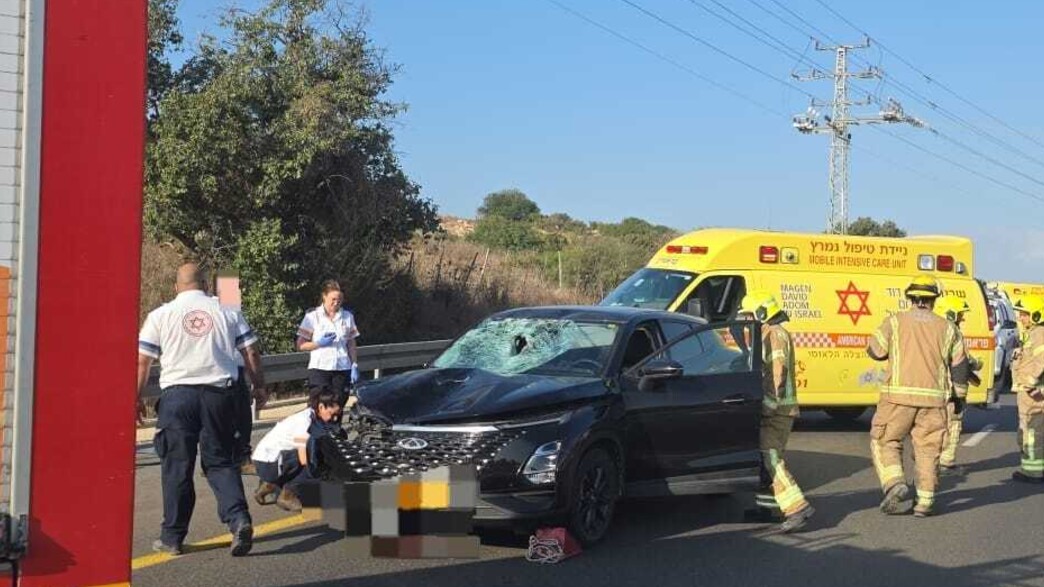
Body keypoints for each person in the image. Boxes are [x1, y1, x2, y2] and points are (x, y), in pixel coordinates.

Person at [137, 263, 268, 557]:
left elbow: (142, 361)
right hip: (219, 396)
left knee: (177, 468)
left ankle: (172, 537)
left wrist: (136, 397)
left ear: (176, 286)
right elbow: (250, 351)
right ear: (206, 285)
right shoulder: (227, 309)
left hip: (177, 399)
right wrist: (259, 386)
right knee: (220, 462)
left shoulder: (160, 315)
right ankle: (238, 519)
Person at [866, 276, 970, 517]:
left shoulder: (894, 322)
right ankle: (924, 502)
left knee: (884, 441)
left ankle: (895, 483)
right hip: (934, 401)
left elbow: (875, 351)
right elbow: (960, 367)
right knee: (928, 449)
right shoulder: (949, 328)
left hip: (897, 398)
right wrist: (959, 398)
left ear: (910, 297)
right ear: (934, 299)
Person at [738, 291, 814, 533]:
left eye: (749, 315)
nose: (746, 321)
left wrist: (768, 407)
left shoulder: (774, 335)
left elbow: (777, 374)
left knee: (771, 458)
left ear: (761, 313)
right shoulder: (770, 333)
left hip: (778, 410)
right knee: (765, 458)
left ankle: (797, 508)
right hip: (780, 408)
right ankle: (767, 508)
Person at [252, 388, 351, 511]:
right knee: (315, 462)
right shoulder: (305, 422)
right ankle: (288, 494)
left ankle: (270, 484)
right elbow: (304, 459)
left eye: (338, 415)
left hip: (268, 460)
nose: (335, 419)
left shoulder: (312, 415)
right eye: (332, 414)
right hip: (268, 464)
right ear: (321, 407)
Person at [935, 295, 982, 474]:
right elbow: (961, 363)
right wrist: (959, 396)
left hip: (935, 388)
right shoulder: (954, 333)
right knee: (953, 424)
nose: (962, 318)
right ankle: (946, 462)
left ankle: (930, 458)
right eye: (960, 314)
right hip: (951, 389)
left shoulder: (933, 331)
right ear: (950, 314)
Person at [296, 280, 360, 406]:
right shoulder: (313, 316)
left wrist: (354, 364)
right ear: (324, 297)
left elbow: (351, 343)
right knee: (318, 405)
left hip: (342, 368)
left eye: (339, 299)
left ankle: (335, 426)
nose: (336, 303)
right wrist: (319, 343)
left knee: (338, 404)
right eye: (333, 299)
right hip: (320, 368)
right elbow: (300, 345)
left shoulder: (347, 317)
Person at [1010, 294, 1044, 484]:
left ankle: (1032, 472)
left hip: (1033, 395)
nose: (1021, 318)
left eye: (1025, 314)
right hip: (1029, 392)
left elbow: (1042, 360)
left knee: (1032, 432)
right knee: (1031, 431)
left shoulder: (1039, 333)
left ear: (1036, 314)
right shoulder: (1033, 333)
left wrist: (1031, 382)